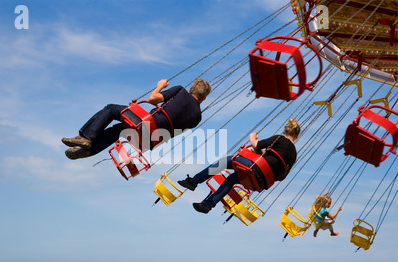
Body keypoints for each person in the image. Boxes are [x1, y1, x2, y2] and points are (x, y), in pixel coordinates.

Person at [61, 78, 211, 159]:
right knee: (118, 131)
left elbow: (153, 99)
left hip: (146, 125)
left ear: (192, 88)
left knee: (112, 109)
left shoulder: (180, 91)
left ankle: (86, 137)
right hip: (151, 141)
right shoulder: (197, 117)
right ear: (204, 98)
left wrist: (160, 86)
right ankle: (88, 151)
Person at [178, 118, 301, 213]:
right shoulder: (294, 155)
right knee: (232, 178)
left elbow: (256, 145)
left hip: (255, 169)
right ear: (297, 136)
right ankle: (207, 205)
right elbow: (282, 177)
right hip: (262, 182)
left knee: (224, 161)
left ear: (284, 131)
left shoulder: (280, 139)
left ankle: (193, 182)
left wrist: (253, 137)